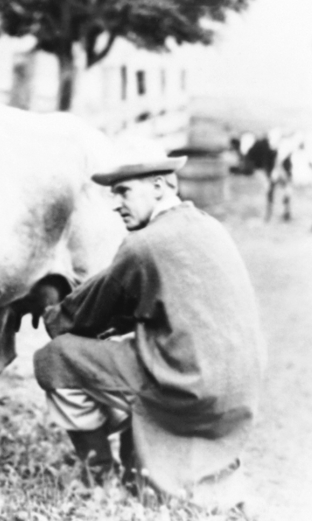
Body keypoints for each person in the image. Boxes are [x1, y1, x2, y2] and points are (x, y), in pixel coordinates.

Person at [24, 155, 266, 509]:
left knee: (56, 358)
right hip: (240, 387)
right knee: (126, 347)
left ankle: (97, 477)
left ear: (158, 186)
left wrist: (46, 307)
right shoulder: (208, 226)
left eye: (123, 192)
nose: (116, 204)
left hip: (189, 386)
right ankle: (149, 463)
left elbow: (80, 317)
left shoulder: (143, 245)